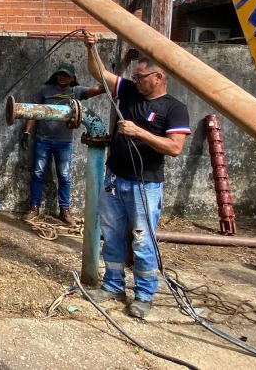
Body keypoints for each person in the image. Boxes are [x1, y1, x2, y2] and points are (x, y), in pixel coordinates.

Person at [83, 32, 191, 319]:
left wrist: (139, 132)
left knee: (143, 241)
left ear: (158, 77)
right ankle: (113, 285)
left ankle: (144, 295)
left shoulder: (174, 108)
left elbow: (175, 148)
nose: (136, 79)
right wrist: (90, 47)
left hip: (146, 185)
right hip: (115, 180)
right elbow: (100, 72)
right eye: (135, 76)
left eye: (141, 76)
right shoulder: (129, 91)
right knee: (113, 236)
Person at [21, 62, 103, 226]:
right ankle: (34, 207)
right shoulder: (45, 91)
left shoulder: (76, 92)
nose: (62, 77)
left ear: (72, 78)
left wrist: (109, 76)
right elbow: (34, 112)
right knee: (38, 174)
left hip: (63, 143)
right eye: (60, 74)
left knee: (64, 177)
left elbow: (97, 89)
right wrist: (27, 132)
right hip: (43, 140)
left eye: (66, 75)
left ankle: (64, 210)